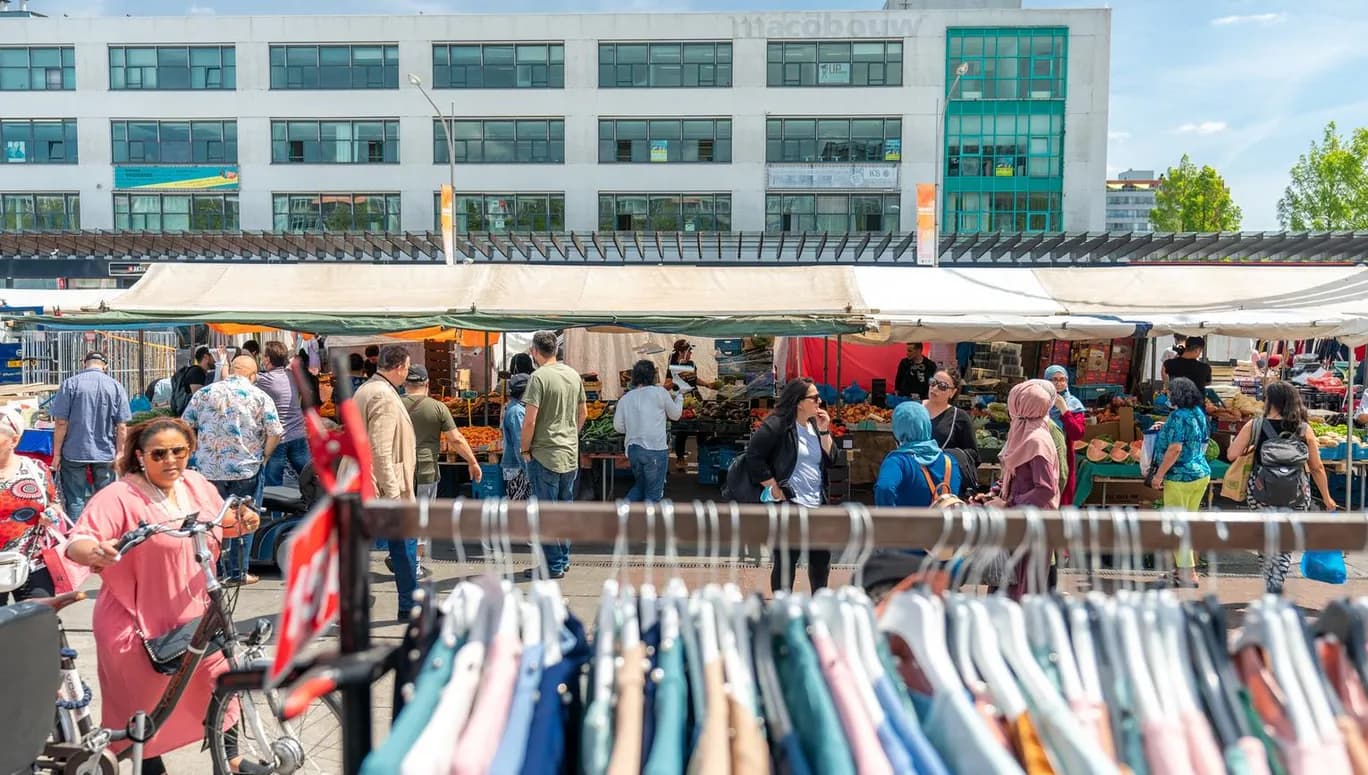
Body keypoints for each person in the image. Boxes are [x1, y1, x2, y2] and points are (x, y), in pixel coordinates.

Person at [63, 417, 261, 775]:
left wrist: (244, 519)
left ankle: (229, 758)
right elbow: (79, 540)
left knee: (222, 681)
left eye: (178, 451)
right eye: (159, 454)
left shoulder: (196, 484)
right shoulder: (119, 496)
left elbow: (222, 524)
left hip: (196, 616)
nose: (171, 460)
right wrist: (95, 551)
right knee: (144, 708)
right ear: (140, 456)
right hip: (135, 623)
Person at [1227, 380, 1338, 594]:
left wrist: (1252, 448)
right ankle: (1275, 585)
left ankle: (1271, 583)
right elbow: (1317, 468)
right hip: (1297, 492)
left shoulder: (1255, 425)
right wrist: (1326, 497)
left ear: (1270, 401)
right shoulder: (1304, 428)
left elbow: (1231, 454)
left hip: (1261, 491)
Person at [182, 356, 283, 586]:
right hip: (246, 468)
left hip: (208, 470)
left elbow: (185, 424)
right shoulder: (259, 396)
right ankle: (238, 573)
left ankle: (215, 570)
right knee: (244, 520)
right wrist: (265, 456)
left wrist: (198, 450)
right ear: (252, 374)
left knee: (212, 520)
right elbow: (275, 432)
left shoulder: (205, 393)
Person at [744, 378, 836, 593]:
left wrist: (824, 431)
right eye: (814, 398)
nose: (819, 401)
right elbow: (754, 456)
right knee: (786, 561)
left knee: (821, 559)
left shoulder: (814, 425)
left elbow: (832, 459)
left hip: (817, 504)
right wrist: (773, 486)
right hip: (790, 504)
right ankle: (781, 605)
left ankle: (819, 603)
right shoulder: (777, 425)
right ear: (799, 402)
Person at [354, 344, 419, 613]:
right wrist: (392, 494)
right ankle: (409, 604)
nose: (407, 373)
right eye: (407, 367)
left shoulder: (367, 389)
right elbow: (380, 450)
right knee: (405, 545)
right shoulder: (383, 395)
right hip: (384, 483)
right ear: (400, 367)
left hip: (365, 479)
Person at [521, 331, 586, 578]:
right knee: (564, 509)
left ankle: (553, 566)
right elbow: (584, 413)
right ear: (555, 350)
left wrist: (525, 449)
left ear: (535, 352)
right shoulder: (573, 374)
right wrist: (570, 435)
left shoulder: (538, 377)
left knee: (546, 513)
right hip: (569, 453)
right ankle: (563, 559)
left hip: (545, 454)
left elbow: (529, 421)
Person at [987, 380, 1060, 598]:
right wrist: (994, 493)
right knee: (1007, 586)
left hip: (1031, 526)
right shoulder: (1022, 434)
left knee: (1019, 590)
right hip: (1018, 521)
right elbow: (1015, 477)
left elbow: (1046, 489)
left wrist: (1009, 504)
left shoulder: (1037, 441)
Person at [50, 351, 131, 520]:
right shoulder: (116, 386)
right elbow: (122, 426)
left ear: (84, 363)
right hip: (105, 452)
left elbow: (61, 422)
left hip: (73, 451)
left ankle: (76, 532)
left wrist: (56, 454)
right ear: (105, 366)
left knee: (75, 500)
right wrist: (120, 453)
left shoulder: (70, 384)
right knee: (105, 498)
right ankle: (105, 530)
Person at [1145, 377, 1209, 588]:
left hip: (1180, 477)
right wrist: (1166, 427)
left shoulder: (1178, 415)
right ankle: (1181, 570)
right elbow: (1200, 439)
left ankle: (1189, 574)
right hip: (1200, 474)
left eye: (1169, 392)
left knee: (1177, 526)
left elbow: (1175, 449)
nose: (1167, 395)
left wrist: (1159, 475)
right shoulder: (1197, 412)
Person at [0, 410, 67, 605]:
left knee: (39, 618)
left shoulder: (36, 469)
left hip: (32, 561)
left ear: (14, 440)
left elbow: (55, 504)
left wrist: (51, 515)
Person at [403, 363, 482, 502]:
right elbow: (456, 439)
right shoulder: (438, 407)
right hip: (427, 471)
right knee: (424, 513)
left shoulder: (394, 404)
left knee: (401, 514)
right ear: (427, 383)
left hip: (400, 472)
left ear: (405, 383)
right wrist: (472, 461)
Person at [614, 360, 684, 503]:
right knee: (653, 494)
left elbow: (618, 427)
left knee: (640, 486)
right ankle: (642, 518)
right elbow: (675, 415)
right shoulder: (660, 393)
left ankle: (622, 512)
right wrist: (680, 397)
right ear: (653, 376)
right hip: (655, 450)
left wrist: (634, 427)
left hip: (634, 450)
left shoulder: (625, 398)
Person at [876, 401, 967, 508]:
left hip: (909, 519)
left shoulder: (898, 462)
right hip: (945, 519)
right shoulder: (950, 461)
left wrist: (888, 515)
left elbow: (884, 488)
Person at [257, 341, 311, 488]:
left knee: (273, 484)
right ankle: (317, 498)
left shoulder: (266, 379)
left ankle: (275, 506)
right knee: (309, 475)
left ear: (268, 359)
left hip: (278, 438)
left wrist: (222, 361)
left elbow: (237, 378)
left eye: (264, 356)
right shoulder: (291, 375)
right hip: (298, 434)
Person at [923, 367, 979, 495]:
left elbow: (973, 454)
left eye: (942, 386)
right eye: (933, 382)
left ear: (952, 392)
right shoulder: (915, 409)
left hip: (943, 482)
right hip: (913, 475)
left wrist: (944, 456)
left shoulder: (960, 417)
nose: (934, 388)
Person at [666, 339, 718, 473]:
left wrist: (707, 384)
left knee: (701, 427)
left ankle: (702, 455)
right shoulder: (672, 365)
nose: (691, 354)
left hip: (696, 397)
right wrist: (674, 381)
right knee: (682, 429)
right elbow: (667, 384)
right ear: (680, 352)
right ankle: (680, 458)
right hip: (682, 399)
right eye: (689, 351)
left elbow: (694, 379)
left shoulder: (691, 364)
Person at [1044, 364, 1087, 505]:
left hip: (1063, 455)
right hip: (1040, 453)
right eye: (1054, 379)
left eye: (1062, 379)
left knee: (1062, 495)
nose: (1059, 383)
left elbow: (1077, 434)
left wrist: (1064, 409)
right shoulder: (1039, 401)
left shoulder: (1073, 404)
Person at [500, 374, 531, 499]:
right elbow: (520, 443)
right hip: (517, 467)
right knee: (520, 505)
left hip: (518, 466)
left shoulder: (517, 408)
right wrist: (527, 469)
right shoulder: (516, 412)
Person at [170, 346, 216, 416]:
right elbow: (199, 397)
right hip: (188, 414)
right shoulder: (196, 372)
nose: (215, 360)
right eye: (214, 356)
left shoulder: (198, 372)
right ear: (206, 357)